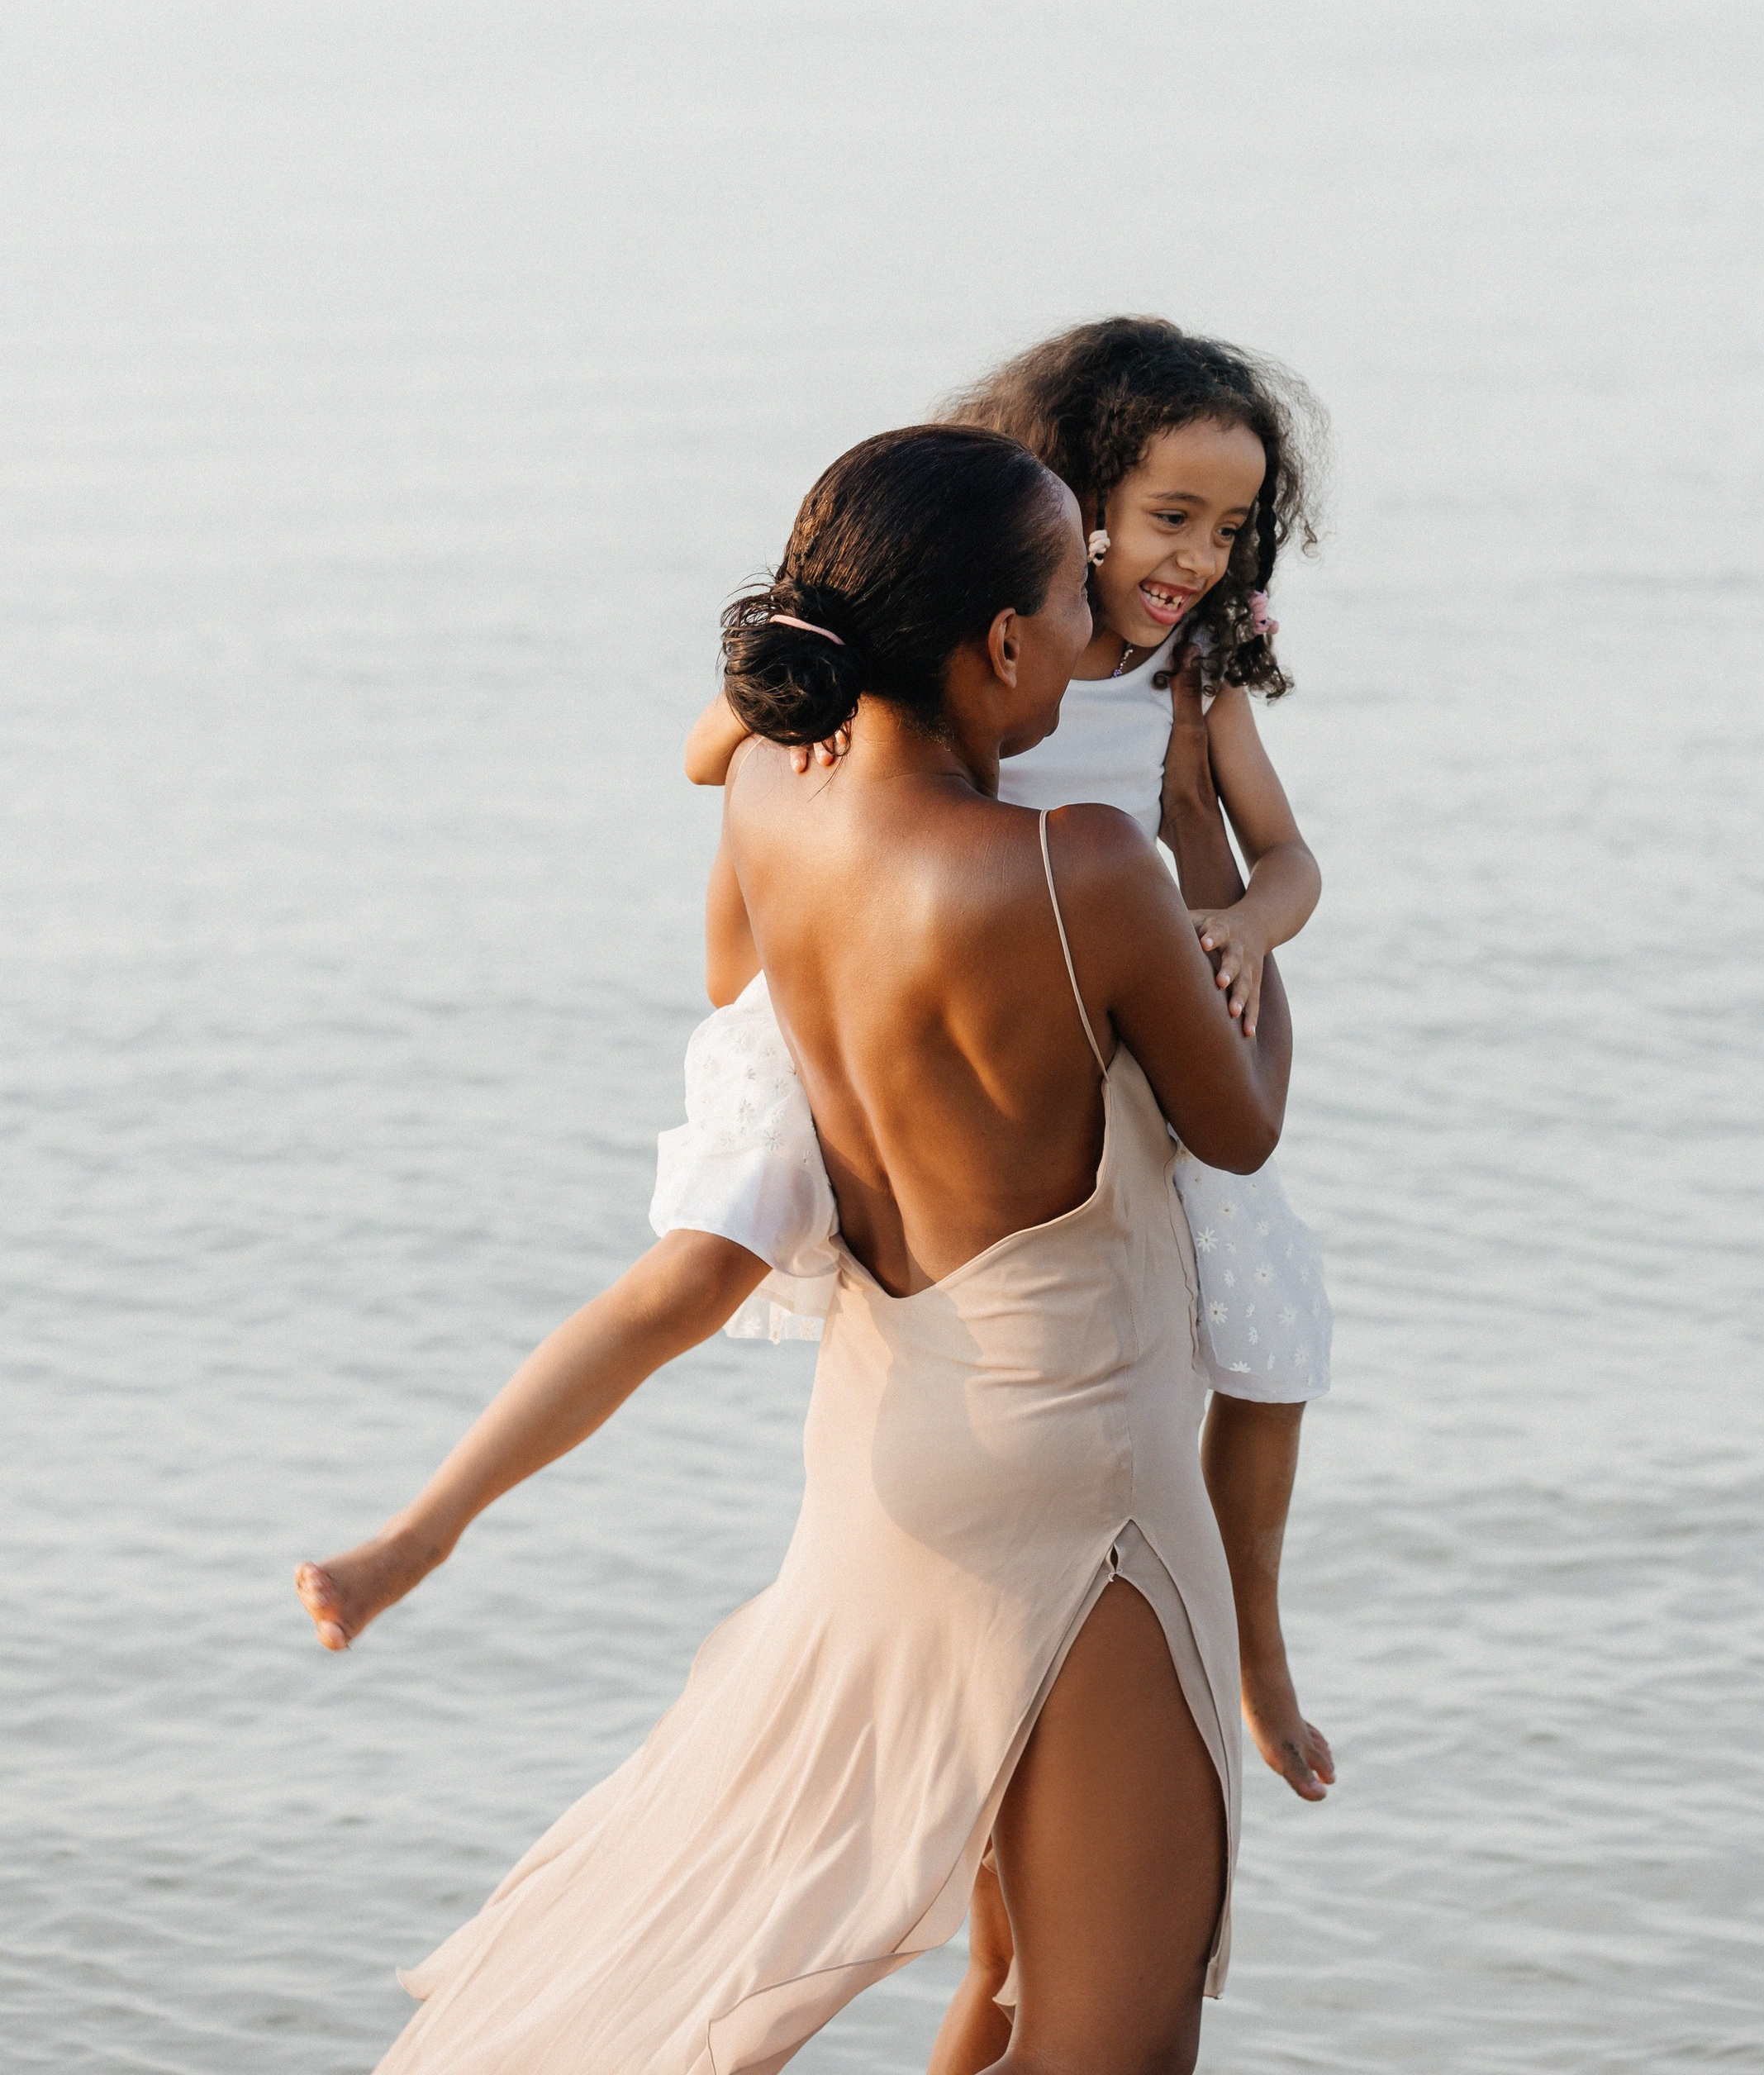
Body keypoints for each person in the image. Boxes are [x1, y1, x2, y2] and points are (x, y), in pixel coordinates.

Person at [298, 424, 1289, 2075]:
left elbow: (725, 986)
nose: (1094, 623)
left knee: (996, 1983)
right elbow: (1240, 1122)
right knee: (1110, 2040)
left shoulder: (767, 793)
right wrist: (1228, 890)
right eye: (1069, 597)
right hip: (1084, 1479)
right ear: (995, 644)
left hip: (883, 1458)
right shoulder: (1083, 868)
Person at [681, 316, 1337, 1816]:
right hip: (966, 1019)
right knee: (743, 1263)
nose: (1201, 557)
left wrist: (1243, 920)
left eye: (1233, 527)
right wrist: (790, 712)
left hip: (1132, 1009)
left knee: (1276, 1338)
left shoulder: (1190, 675)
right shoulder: (971, 635)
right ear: (1078, 503)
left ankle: (1257, 1651)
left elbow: (1290, 857)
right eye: (1172, 517)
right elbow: (720, 747)